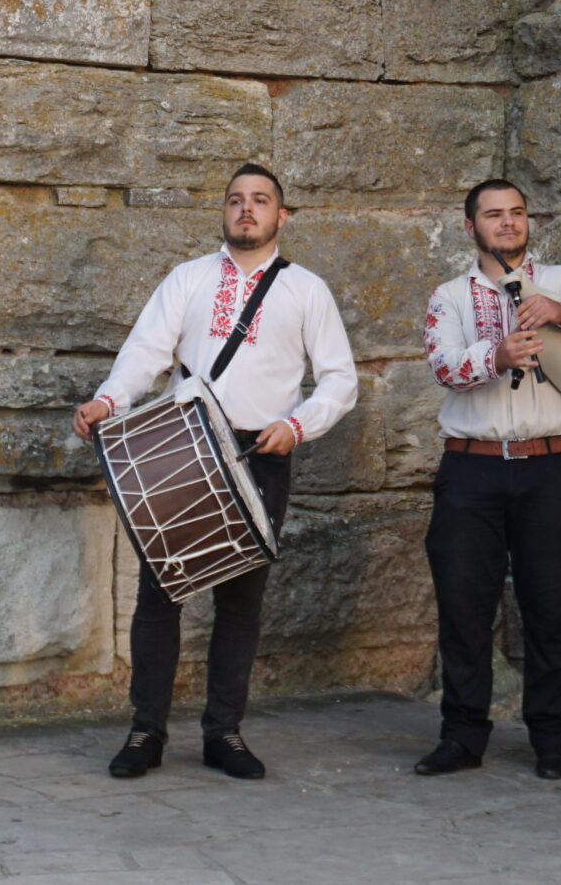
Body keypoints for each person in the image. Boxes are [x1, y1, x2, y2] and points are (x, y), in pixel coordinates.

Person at [72, 163, 356, 782]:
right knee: (160, 595)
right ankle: (145, 730)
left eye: (260, 201)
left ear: (283, 217)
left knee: (240, 604)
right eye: (235, 200)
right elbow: (145, 353)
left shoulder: (307, 289)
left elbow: (340, 379)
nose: (246, 209)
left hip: (262, 453)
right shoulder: (188, 279)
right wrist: (107, 401)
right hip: (181, 447)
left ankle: (223, 733)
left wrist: (300, 425)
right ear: (223, 212)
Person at [413, 178, 561, 782]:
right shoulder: (449, 296)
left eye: (516, 213)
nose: (507, 224)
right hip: (471, 467)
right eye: (493, 215)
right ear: (470, 227)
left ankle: (552, 738)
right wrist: (497, 356)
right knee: (463, 607)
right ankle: (461, 736)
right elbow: (443, 365)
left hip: (551, 466)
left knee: (551, 606)